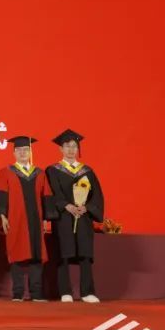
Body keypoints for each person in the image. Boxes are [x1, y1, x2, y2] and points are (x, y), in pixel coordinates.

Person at [45, 129, 104, 303]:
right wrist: (66, 205)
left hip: (83, 217)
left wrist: (87, 208)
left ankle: (87, 292)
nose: (71, 150)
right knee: (63, 253)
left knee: (85, 253)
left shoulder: (87, 171)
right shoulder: (53, 170)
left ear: (78, 149)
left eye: (74, 146)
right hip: (63, 217)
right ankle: (65, 292)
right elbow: (52, 192)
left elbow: (97, 195)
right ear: (60, 149)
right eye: (67, 146)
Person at [0, 136, 52, 302]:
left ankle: (36, 293)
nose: (23, 153)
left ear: (30, 152)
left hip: (36, 219)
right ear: (14, 153)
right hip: (15, 218)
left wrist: (46, 219)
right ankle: (17, 293)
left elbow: (46, 196)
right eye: (19, 150)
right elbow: (1, 195)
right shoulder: (6, 172)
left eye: (26, 150)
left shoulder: (40, 173)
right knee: (16, 252)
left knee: (37, 254)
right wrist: (3, 216)